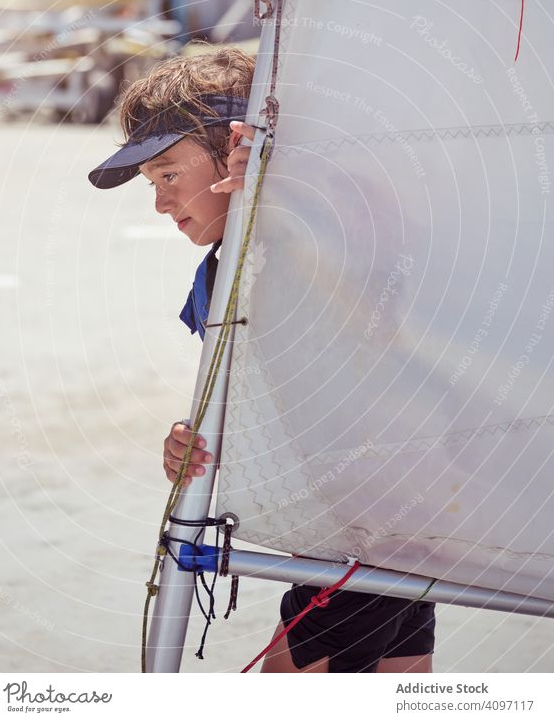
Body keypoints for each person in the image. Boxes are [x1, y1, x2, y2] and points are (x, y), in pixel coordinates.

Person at [88, 42, 436, 674]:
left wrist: (292, 187)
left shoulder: (317, 229)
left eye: (170, 175)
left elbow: (383, 305)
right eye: (152, 183)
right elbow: (256, 393)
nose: (161, 202)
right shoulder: (224, 273)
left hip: (365, 526)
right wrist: (194, 437)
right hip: (378, 532)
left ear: (240, 149)